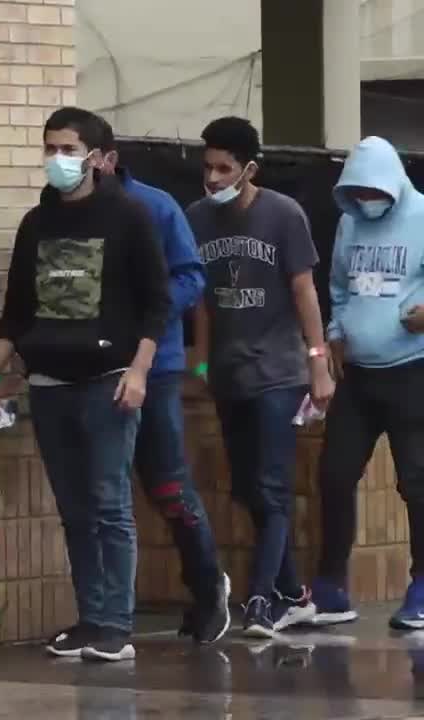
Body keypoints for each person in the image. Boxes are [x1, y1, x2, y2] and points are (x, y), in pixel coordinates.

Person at [0, 107, 171, 662]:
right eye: (49, 148)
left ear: (96, 157)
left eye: (68, 149)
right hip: (48, 382)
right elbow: (17, 308)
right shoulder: (36, 223)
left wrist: (139, 371)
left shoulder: (129, 216)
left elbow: (157, 304)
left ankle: (116, 623)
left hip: (109, 379)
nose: (57, 160)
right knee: (74, 508)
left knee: (109, 502)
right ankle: (90, 617)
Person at [187, 116, 333, 638]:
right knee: (248, 489)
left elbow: (304, 289)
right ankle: (296, 595)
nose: (214, 178)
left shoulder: (283, 215)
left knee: (270, 489)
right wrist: (201, 361)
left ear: (250, 168)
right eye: (208, 167)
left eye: (225, 168)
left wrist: (318, 358)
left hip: (278, 372)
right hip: (229, 373)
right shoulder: (198, 218)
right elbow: (202, 300)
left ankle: (260, 600)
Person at [94, 124, 232, 643]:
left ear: (106, 158)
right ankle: (104, 616)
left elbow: (192, 277)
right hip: (89, 370)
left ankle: (206, 585)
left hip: (157, 366)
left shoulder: (155, 207)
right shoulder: (60, 215)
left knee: (167, 484)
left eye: (72, 152)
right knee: (102, 496)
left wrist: (142, 315)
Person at [309, 136, 424, 629]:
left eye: (372, 190)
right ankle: (331, 587)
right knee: (334, 474)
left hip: (412, 370)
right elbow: (336, 286)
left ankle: (422, 587)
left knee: (417, 483)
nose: (364, 199)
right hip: (357, 375)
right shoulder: (349, 221)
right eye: (355, 191)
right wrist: (334, 335)